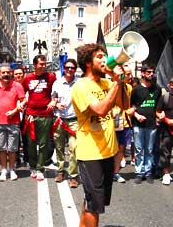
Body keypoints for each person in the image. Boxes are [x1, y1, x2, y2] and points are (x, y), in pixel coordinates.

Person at [71, 43, 129, 227]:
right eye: (99, 56)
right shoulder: (80, 86)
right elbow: (101, 110)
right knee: (94, 205)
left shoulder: (107, 82)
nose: (104, 59)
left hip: (108, 152)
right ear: (88, 62)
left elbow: (125, 105)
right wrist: (116, 83)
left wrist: (118, 81)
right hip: (91, 154)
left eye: (105, 55)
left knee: (94, 201)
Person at [21, 54, 56, 181]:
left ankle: (40, 168)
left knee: (43, 144)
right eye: (41, 64)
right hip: (30, 114)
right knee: (30, 143)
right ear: (35, 65)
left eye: (44, 64)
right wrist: (21, 103)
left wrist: (54, 101)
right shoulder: (28, 78)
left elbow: (56, 92)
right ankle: (33, 165)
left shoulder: (51, 77)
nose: (43, 66)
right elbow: (22, 94)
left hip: (45, 115)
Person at [0, 64, 25, 181]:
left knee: (12, 148)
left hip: (13, 122)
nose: (6, 74)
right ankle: (4, 170)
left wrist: (15, 110)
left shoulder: (17, 85)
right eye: (3, 72)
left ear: (11, 73)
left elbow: (23, 100)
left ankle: (12, 169)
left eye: (8, 72)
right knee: (1, 148)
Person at [130, 64, 161, 184]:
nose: (151, 74)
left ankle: (148, 172)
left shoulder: (157, 89)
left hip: (152, 124)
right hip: (138, 124)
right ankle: (139, 172)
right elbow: (132, 106)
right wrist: (137, 115)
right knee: (138, 149)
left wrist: (159, 116)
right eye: (148, 72)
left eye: (152, 72)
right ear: (142, 73)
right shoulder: (136, 90)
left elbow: (158, 106)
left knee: (149, 149)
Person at [51, 58, 79, 187]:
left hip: (74, 120)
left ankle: (73, 175)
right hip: (59, 119)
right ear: (64, 68)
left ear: (75, 69)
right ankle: (60, 171)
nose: (69, 70)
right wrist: (56, 104)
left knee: (74, 148)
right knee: (59, 147)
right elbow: (53, 99)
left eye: (72, 68)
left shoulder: (79, 83)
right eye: (67, 67)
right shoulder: (57, 83)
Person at [112, 65, 133, 183]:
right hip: (113, 120)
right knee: (110, 148)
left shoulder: (129, 87)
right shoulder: (111, 85)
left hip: (125, 121)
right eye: (128, 74)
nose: (130, 77)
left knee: (121, 148)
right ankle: (107, 172)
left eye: (130, 74)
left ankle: (116, 172)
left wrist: (133, 109)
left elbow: (132, 102)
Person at [156, 77, 173, 185]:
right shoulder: (165, 97)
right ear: (170, 85)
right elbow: (157, 112)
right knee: (165, 152)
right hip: (167, 129)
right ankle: (166, 174)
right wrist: (166, 120)